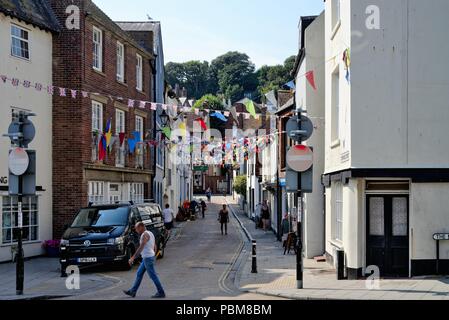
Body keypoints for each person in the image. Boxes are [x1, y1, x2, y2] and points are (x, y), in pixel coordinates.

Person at [123, 222, 166, 299]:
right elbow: (155, 245)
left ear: (141, 227)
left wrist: (133, 257)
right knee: (139, 273)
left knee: (153, 276)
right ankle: (133, 291)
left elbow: (141, 247)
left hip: (147, 258)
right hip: (147, 258)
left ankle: (161, 292)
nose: (136, 230)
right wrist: (154, 255)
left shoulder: (145, 235)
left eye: (136, 228)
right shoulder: (150, 233)